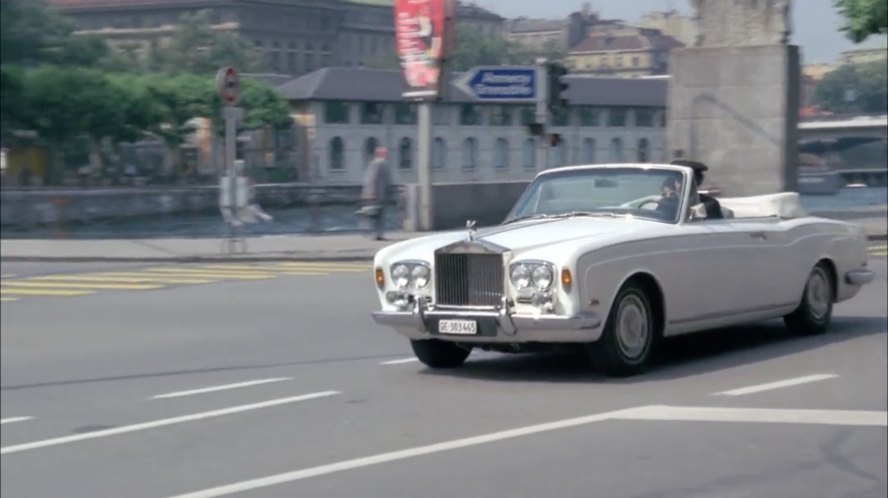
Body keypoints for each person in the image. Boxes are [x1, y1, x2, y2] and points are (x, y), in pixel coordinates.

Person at [361, 146, 392, 240]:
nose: (386, 155)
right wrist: (371, 192)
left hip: (380, 193)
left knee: (377, 214)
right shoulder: (377, 164)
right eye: (384, 153)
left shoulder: (382, 164)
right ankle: (375, 233)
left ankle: (377, 233)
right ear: (379, 154)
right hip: (376, 194)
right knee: (375, 214)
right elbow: (371, 179)